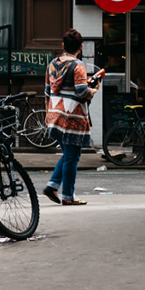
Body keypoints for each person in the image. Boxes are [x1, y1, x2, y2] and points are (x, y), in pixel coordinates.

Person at [43, 29, 105, 206]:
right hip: (72, 118)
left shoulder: (52, 65)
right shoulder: (78, 66)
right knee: (72, 157)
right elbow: (81, 92)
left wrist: (49, 115)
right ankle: (67, 196)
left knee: (70, 155)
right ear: (81, 47)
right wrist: (93, 89)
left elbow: (47, 91)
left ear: (63, 46)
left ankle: (53, 186)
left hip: (55, 115)